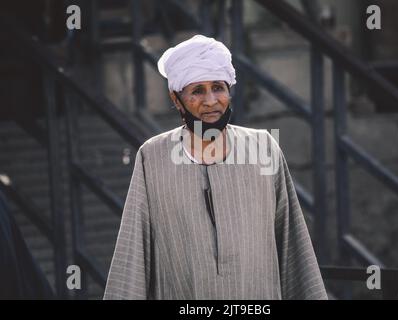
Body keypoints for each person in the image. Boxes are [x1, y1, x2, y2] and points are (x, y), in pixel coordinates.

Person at [103, 35, 327, 300]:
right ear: (176, 99)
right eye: (197, 91)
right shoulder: (152, 157)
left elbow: (294, 245)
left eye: (218, 88)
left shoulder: (263, 148)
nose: (210, 100)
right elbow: (133, 255)